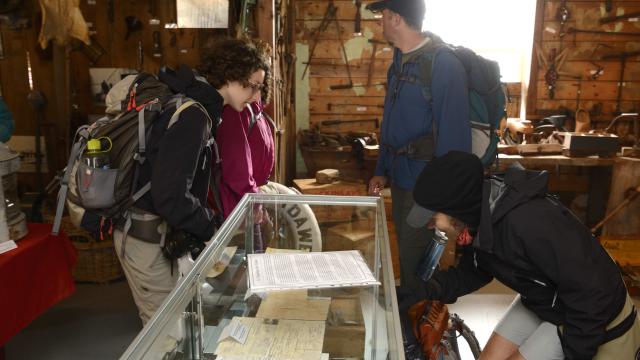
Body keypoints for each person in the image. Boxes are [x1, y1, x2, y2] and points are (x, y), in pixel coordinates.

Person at [404, 150, 640, 360]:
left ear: (457, 209)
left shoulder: (528, 224)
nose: (430, 225)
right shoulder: (479, 218)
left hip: (589, 313)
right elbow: (477, 268)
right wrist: (425, 291)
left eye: (433, 218)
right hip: (545, 298)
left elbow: (594, 294)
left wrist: (575, 352)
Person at [113, 37, 270, 325]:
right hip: (143, 234)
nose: (257, 98)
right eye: (253, 86)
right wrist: (212, 228)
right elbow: (171, 195)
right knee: (164, 330)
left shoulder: (203, 109)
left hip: (159, 230)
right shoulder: (194, 117)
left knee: (181, 324)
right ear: (229, 76)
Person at [365, 0, 470, 297]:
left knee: (418, 262)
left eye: (383, 16)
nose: (380, 22)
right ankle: (416, 324)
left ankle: (419, 331)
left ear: (397, 18)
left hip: (426, 186)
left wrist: (444, 202)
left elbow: (456, 142)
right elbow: (391, 124)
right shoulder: (398, 62)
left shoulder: (444, 65)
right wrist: (382, 170)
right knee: (410, 255)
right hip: (400, 181)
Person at [215, 40, 274, 222]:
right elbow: (236, 164)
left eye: (260, 86)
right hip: (237, 207)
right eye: (254, 85)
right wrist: (254, 201)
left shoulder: (250, 107)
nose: (257, 93)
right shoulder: (235, 109)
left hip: (247, 200)